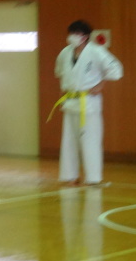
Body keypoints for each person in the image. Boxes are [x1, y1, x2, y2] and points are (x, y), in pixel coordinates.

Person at [50, 20, 123, 185]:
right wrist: (63, 89)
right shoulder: (65, 53)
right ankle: (70, 176)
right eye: (71, 33)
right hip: (70, 101)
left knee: (90, 140)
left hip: (89, 102)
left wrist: (101, 85)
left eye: (76, 33)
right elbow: (60, 72)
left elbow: (116, 69)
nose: (72, 37)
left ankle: (93, 178)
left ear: (85, 36)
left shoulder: (96, 51)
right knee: (69, 141)